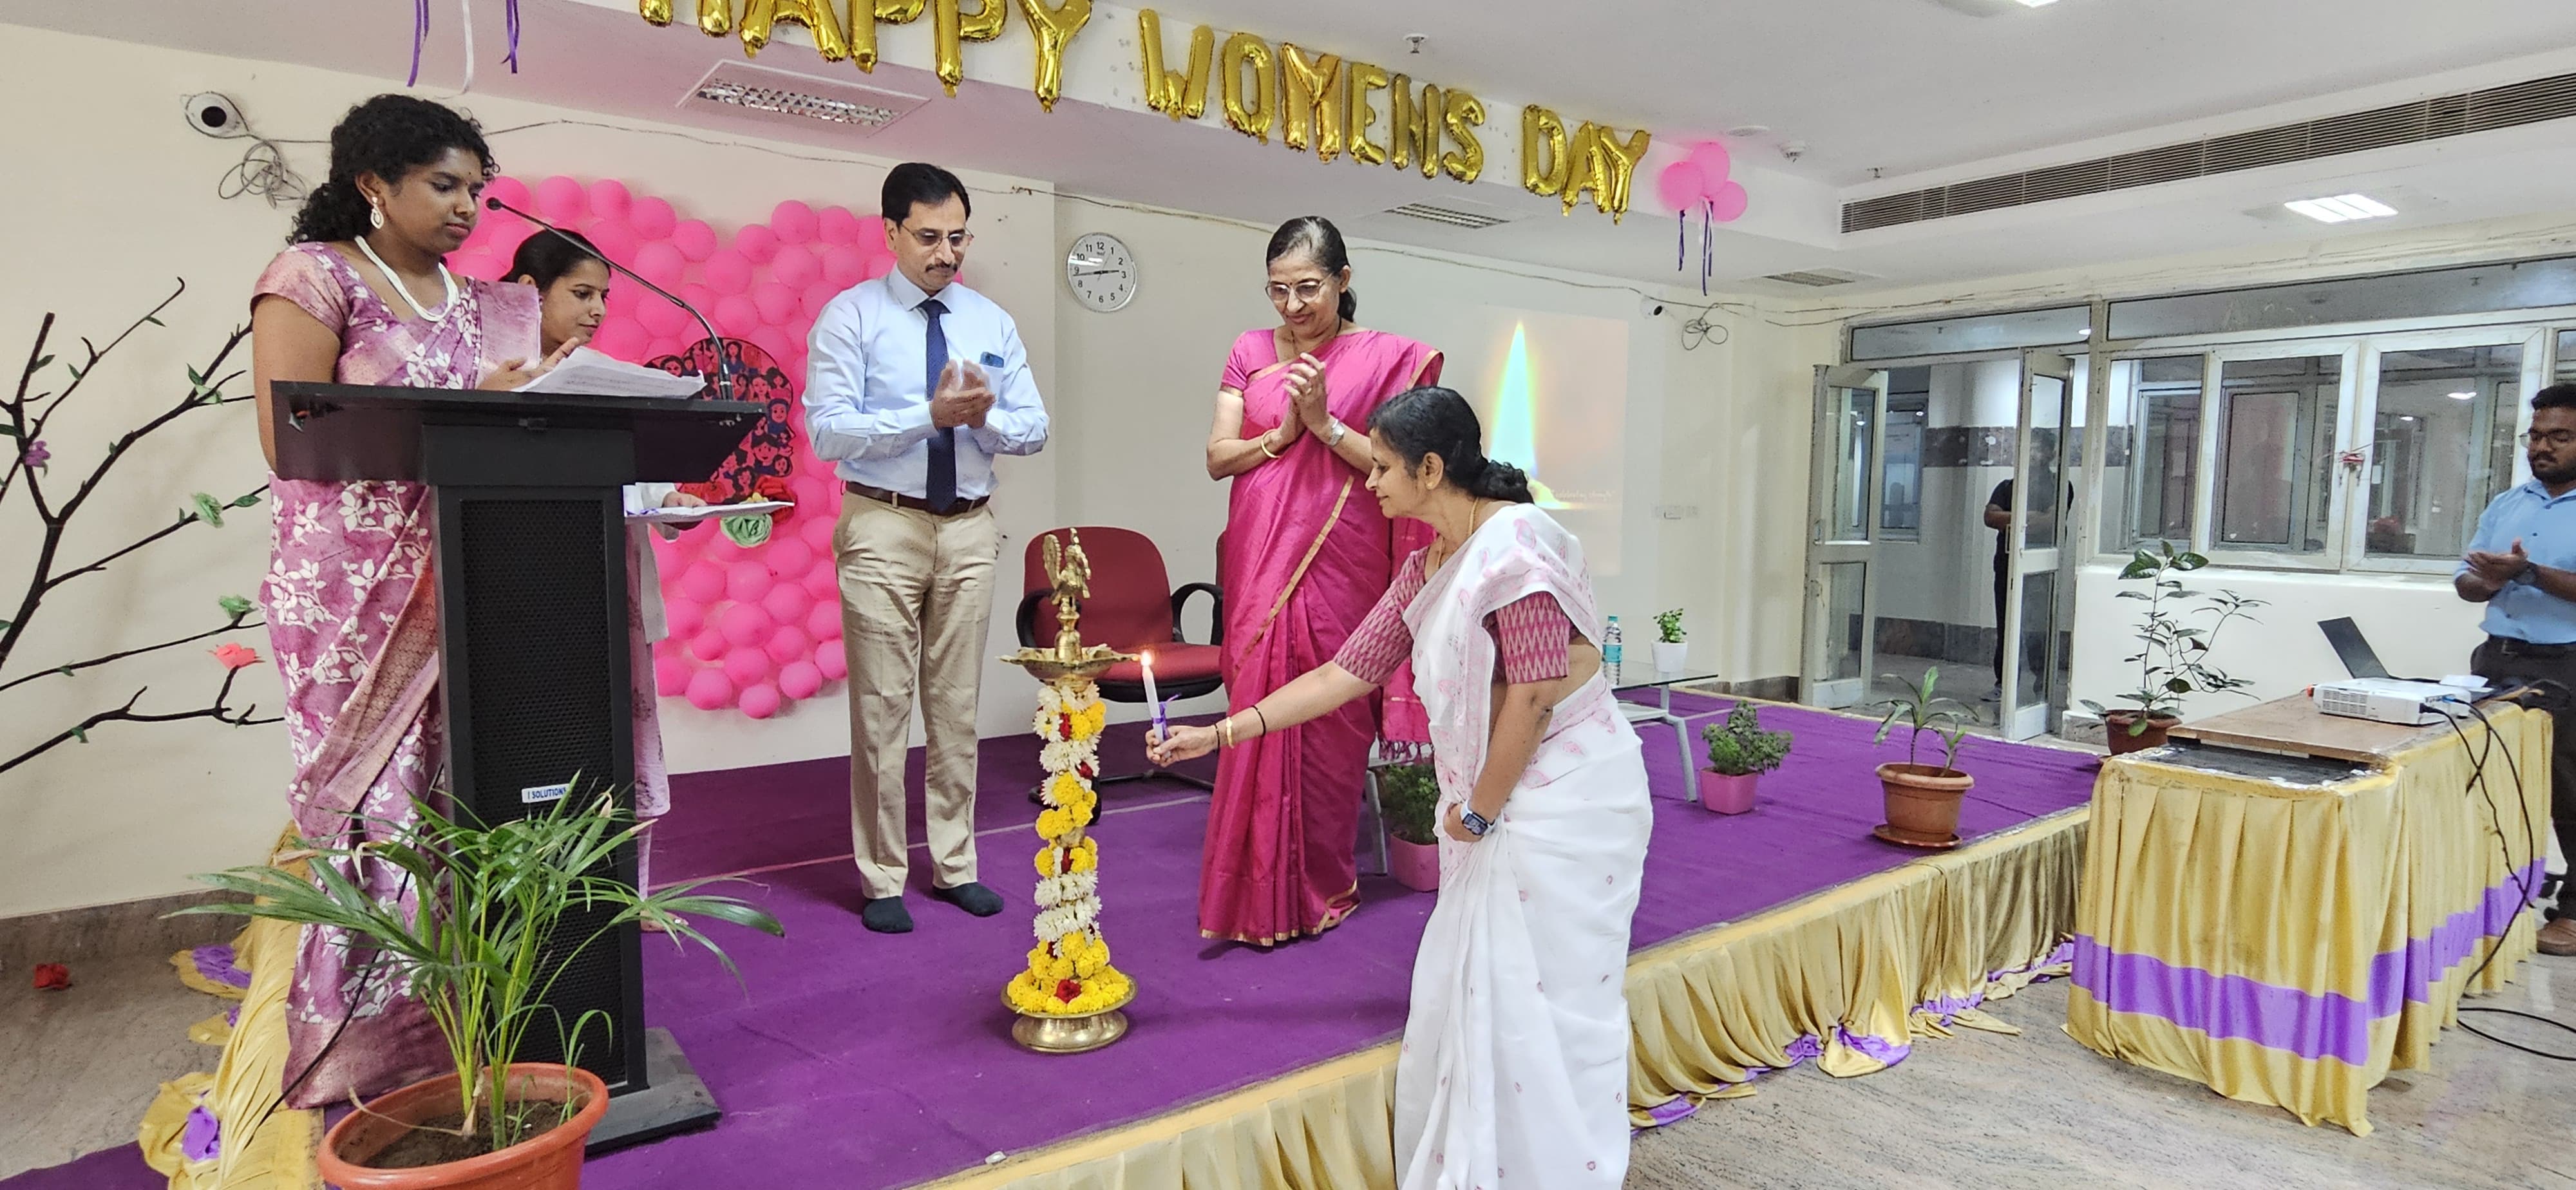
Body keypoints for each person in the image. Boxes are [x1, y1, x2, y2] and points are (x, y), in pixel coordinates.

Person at [1153, 386, 1650, 1188]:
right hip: (1490, 802)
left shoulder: (1515, 553)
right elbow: (1342, 673)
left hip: (1558, 797)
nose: (1369, 480)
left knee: (1541, 1000)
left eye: (1382, 467)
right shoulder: (1430, 564)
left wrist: (1479, 815)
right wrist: (1221, 733)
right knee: (1476, 991)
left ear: (1431, 469)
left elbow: (1531, 695)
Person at [249, 93, 573, 1106]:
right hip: (349, 589)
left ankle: (475, 1018)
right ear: (374, 184)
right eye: (445, 184)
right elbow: (291, 438)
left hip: (472, 564)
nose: (469, 206)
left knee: (463, 789)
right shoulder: (315, 277)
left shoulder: (490, 306)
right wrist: (468, 411)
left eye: (478, 189)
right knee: (375, 810)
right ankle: (365, 1047)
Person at [806, 163, 1050, 934]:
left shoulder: (990, 320)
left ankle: (955, 866)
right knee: (882, 708)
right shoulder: (851, 316)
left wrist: (981, 421)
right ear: (890, 233)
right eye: (929, 237)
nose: (946, 253)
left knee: (955, 706)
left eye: (958, 237)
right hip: (885, 522)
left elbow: (1034, 427)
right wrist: (929, 416)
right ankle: (882, 875)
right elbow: (827, 431)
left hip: (970, 524)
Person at [1199, 216, 1444, 945]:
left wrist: (1325, 423)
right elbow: (1218, 457)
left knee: (1330, 726)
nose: (1293, 306)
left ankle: (1321, 887)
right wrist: (1280, 436)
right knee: (1256, 706)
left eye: (1308, 288)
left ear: (1344, 279)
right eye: (1278, 290)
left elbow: (1401, 468)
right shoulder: (1248, 351)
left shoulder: (1388, 361)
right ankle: (1250, 897)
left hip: (1343, 561)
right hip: (1260, 555)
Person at [507, 229, 705, 901]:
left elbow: (639, 481)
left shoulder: (606, 379)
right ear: (530, 292)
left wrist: (672, 500)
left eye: (604, 297)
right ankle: (534, 899)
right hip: (525, 592)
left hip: (611, 591)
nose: (596, 310)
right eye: (582, 293)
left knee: (620, 739)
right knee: (540, 745)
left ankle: (626, 896)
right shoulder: (488, 374)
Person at [2454, 382, 2576, 958]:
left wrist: (2527, 574)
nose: (2542, 447)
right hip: (2498, 660)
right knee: (2492, 780)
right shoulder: (2508, 503)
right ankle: (2496, 897)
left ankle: (2573, 913)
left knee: (2569, 793)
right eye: (2536, 436)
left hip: (2568, 665)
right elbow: (2465, 583)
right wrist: (2487, 579)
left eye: (2560, 437)